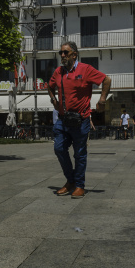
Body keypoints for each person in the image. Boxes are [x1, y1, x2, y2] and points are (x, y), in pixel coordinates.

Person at [48, 41, 111, 199]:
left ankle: (79, 185)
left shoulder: (86, 69)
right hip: (62, 120)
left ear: (74, 55)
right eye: (60, 53)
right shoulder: (58, 72)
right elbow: (49, 86)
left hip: (81, 120)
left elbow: (106, 80)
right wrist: (53, 100)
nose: (62, 55)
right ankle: (70, 181)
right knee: (59, 149)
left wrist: (102, 99)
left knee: (79, 154)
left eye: (65, 53)